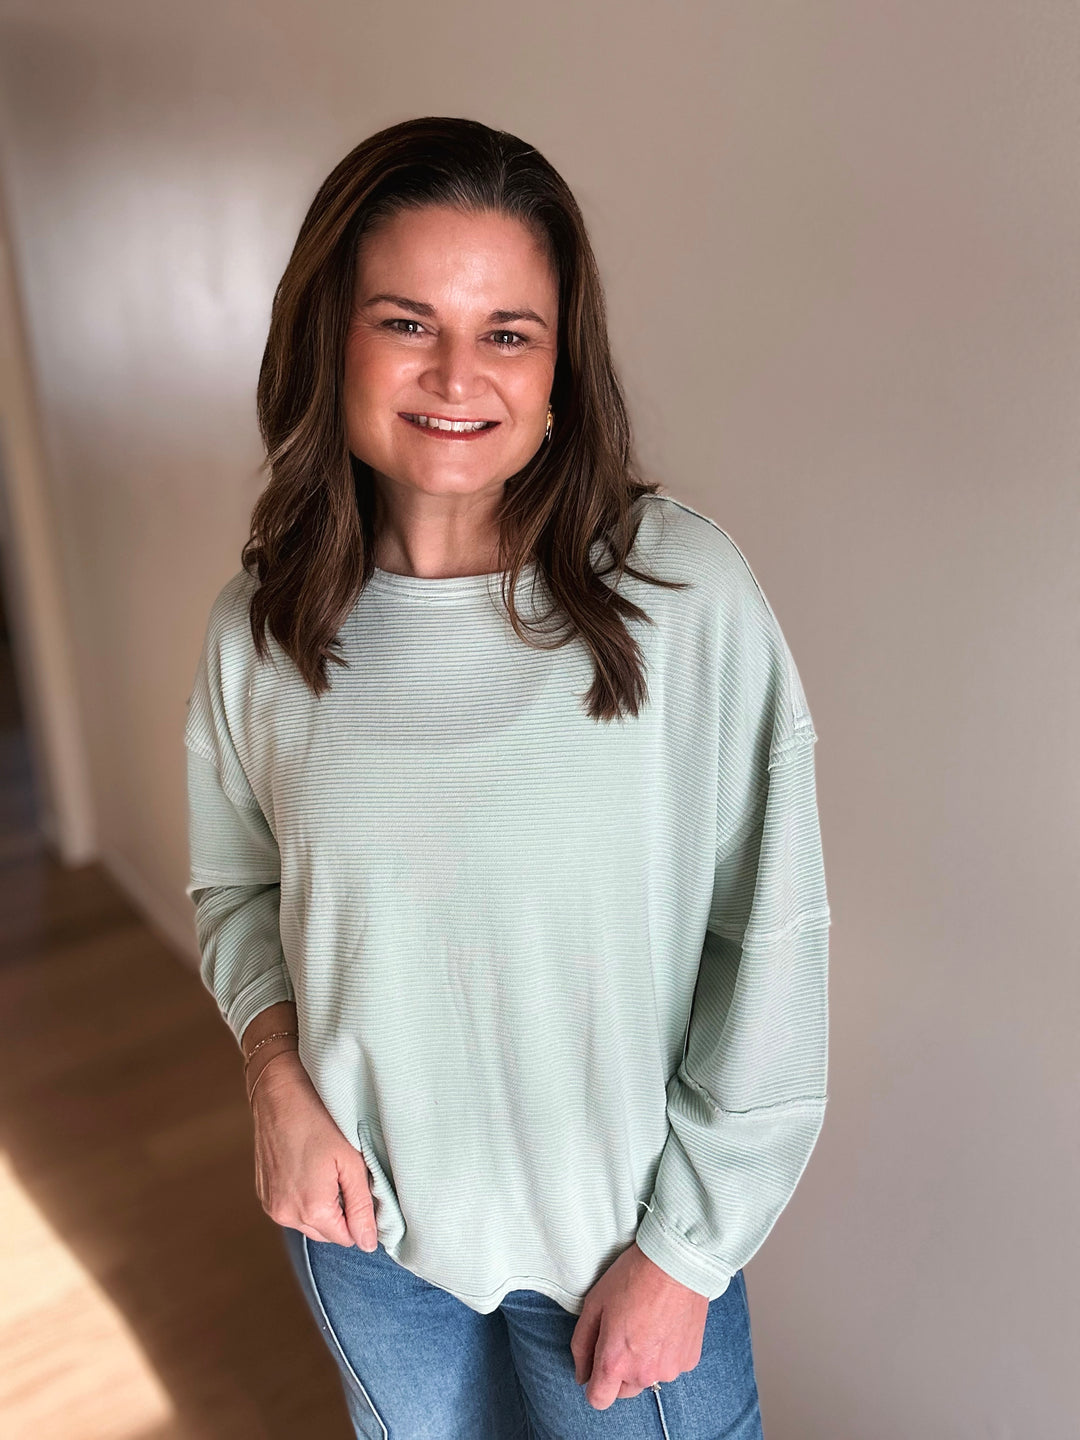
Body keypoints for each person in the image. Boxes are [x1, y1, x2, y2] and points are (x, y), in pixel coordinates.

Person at [184, 115, 830, 1440]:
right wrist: (272, 1074)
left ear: (556, 371)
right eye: (407, 321)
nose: (456, 373)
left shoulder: (678, 595)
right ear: (334, 338)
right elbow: (237, 884)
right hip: (367, 1242)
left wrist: (689, 1252)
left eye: (507, 331)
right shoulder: (263, 626)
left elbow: (770, 942)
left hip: (617, 1257)